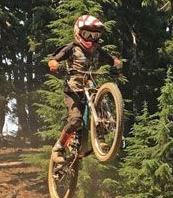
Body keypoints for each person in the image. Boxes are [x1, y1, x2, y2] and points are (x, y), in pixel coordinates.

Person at [47, 14, 122, 163]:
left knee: (100, 105)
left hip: (90, 86)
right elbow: (54, 59)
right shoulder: (72, 48)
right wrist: (55, 64)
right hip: (73, 90)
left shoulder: (98, 51)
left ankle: (99, 137)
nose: (90, 38)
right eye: (87, 34)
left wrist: (117, 64)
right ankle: (58, 147)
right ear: (79, 32)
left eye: (95, 35)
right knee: (75, 120)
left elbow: (113, 60)